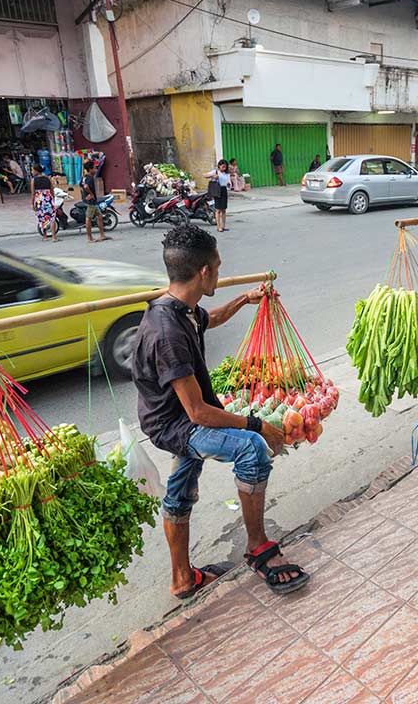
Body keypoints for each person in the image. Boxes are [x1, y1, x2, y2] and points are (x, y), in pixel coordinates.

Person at [132, 224, 309, 598]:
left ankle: (183, 579)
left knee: (181, 488)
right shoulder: (166, 332)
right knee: (251, 448)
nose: (220, 272)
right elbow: (197, 413)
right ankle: (258, 547)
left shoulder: (181, 309)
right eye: (218, 265)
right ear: (203, 272)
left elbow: (210, 320)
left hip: (181, 416)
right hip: (176, 424)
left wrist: (245, 299)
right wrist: (259, 425)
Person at [80, 160, 110, 243]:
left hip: (91, 201)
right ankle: (90, 238)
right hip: (91, 202)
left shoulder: (84, 177)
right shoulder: (89, 178)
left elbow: (81, 186)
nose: (95, 170)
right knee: (88, 219)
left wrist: (84, 195)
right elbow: (86, 186)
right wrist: (91, 194)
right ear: (90, 169)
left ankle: (102, 235)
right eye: (94, 168)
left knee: (100, 217)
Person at [32, 163, 58, 241]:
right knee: (52, 218)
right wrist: (53, 198)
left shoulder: (33, 180)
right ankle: (54, 237)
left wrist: (32, 203)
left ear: (36, 171)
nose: (32, 171)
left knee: (43, 219)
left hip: (39, 200)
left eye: (32, 170)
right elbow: (52, 190)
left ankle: (45, 236)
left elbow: (33, 194)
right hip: (48, 199)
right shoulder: (48, 178)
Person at [211, 159, 230, 232]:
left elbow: (228, 183)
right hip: (217, 190)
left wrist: (229, 184)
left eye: (225, 167)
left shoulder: (226, 174)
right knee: (218, 210)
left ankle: (223, 226)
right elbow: (205, 175)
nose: (224, 168)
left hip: (224, 190)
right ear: (219, 166)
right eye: (223, 166)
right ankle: (218, 227)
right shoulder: (215, 172)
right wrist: (213, 176)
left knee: (224, 209)